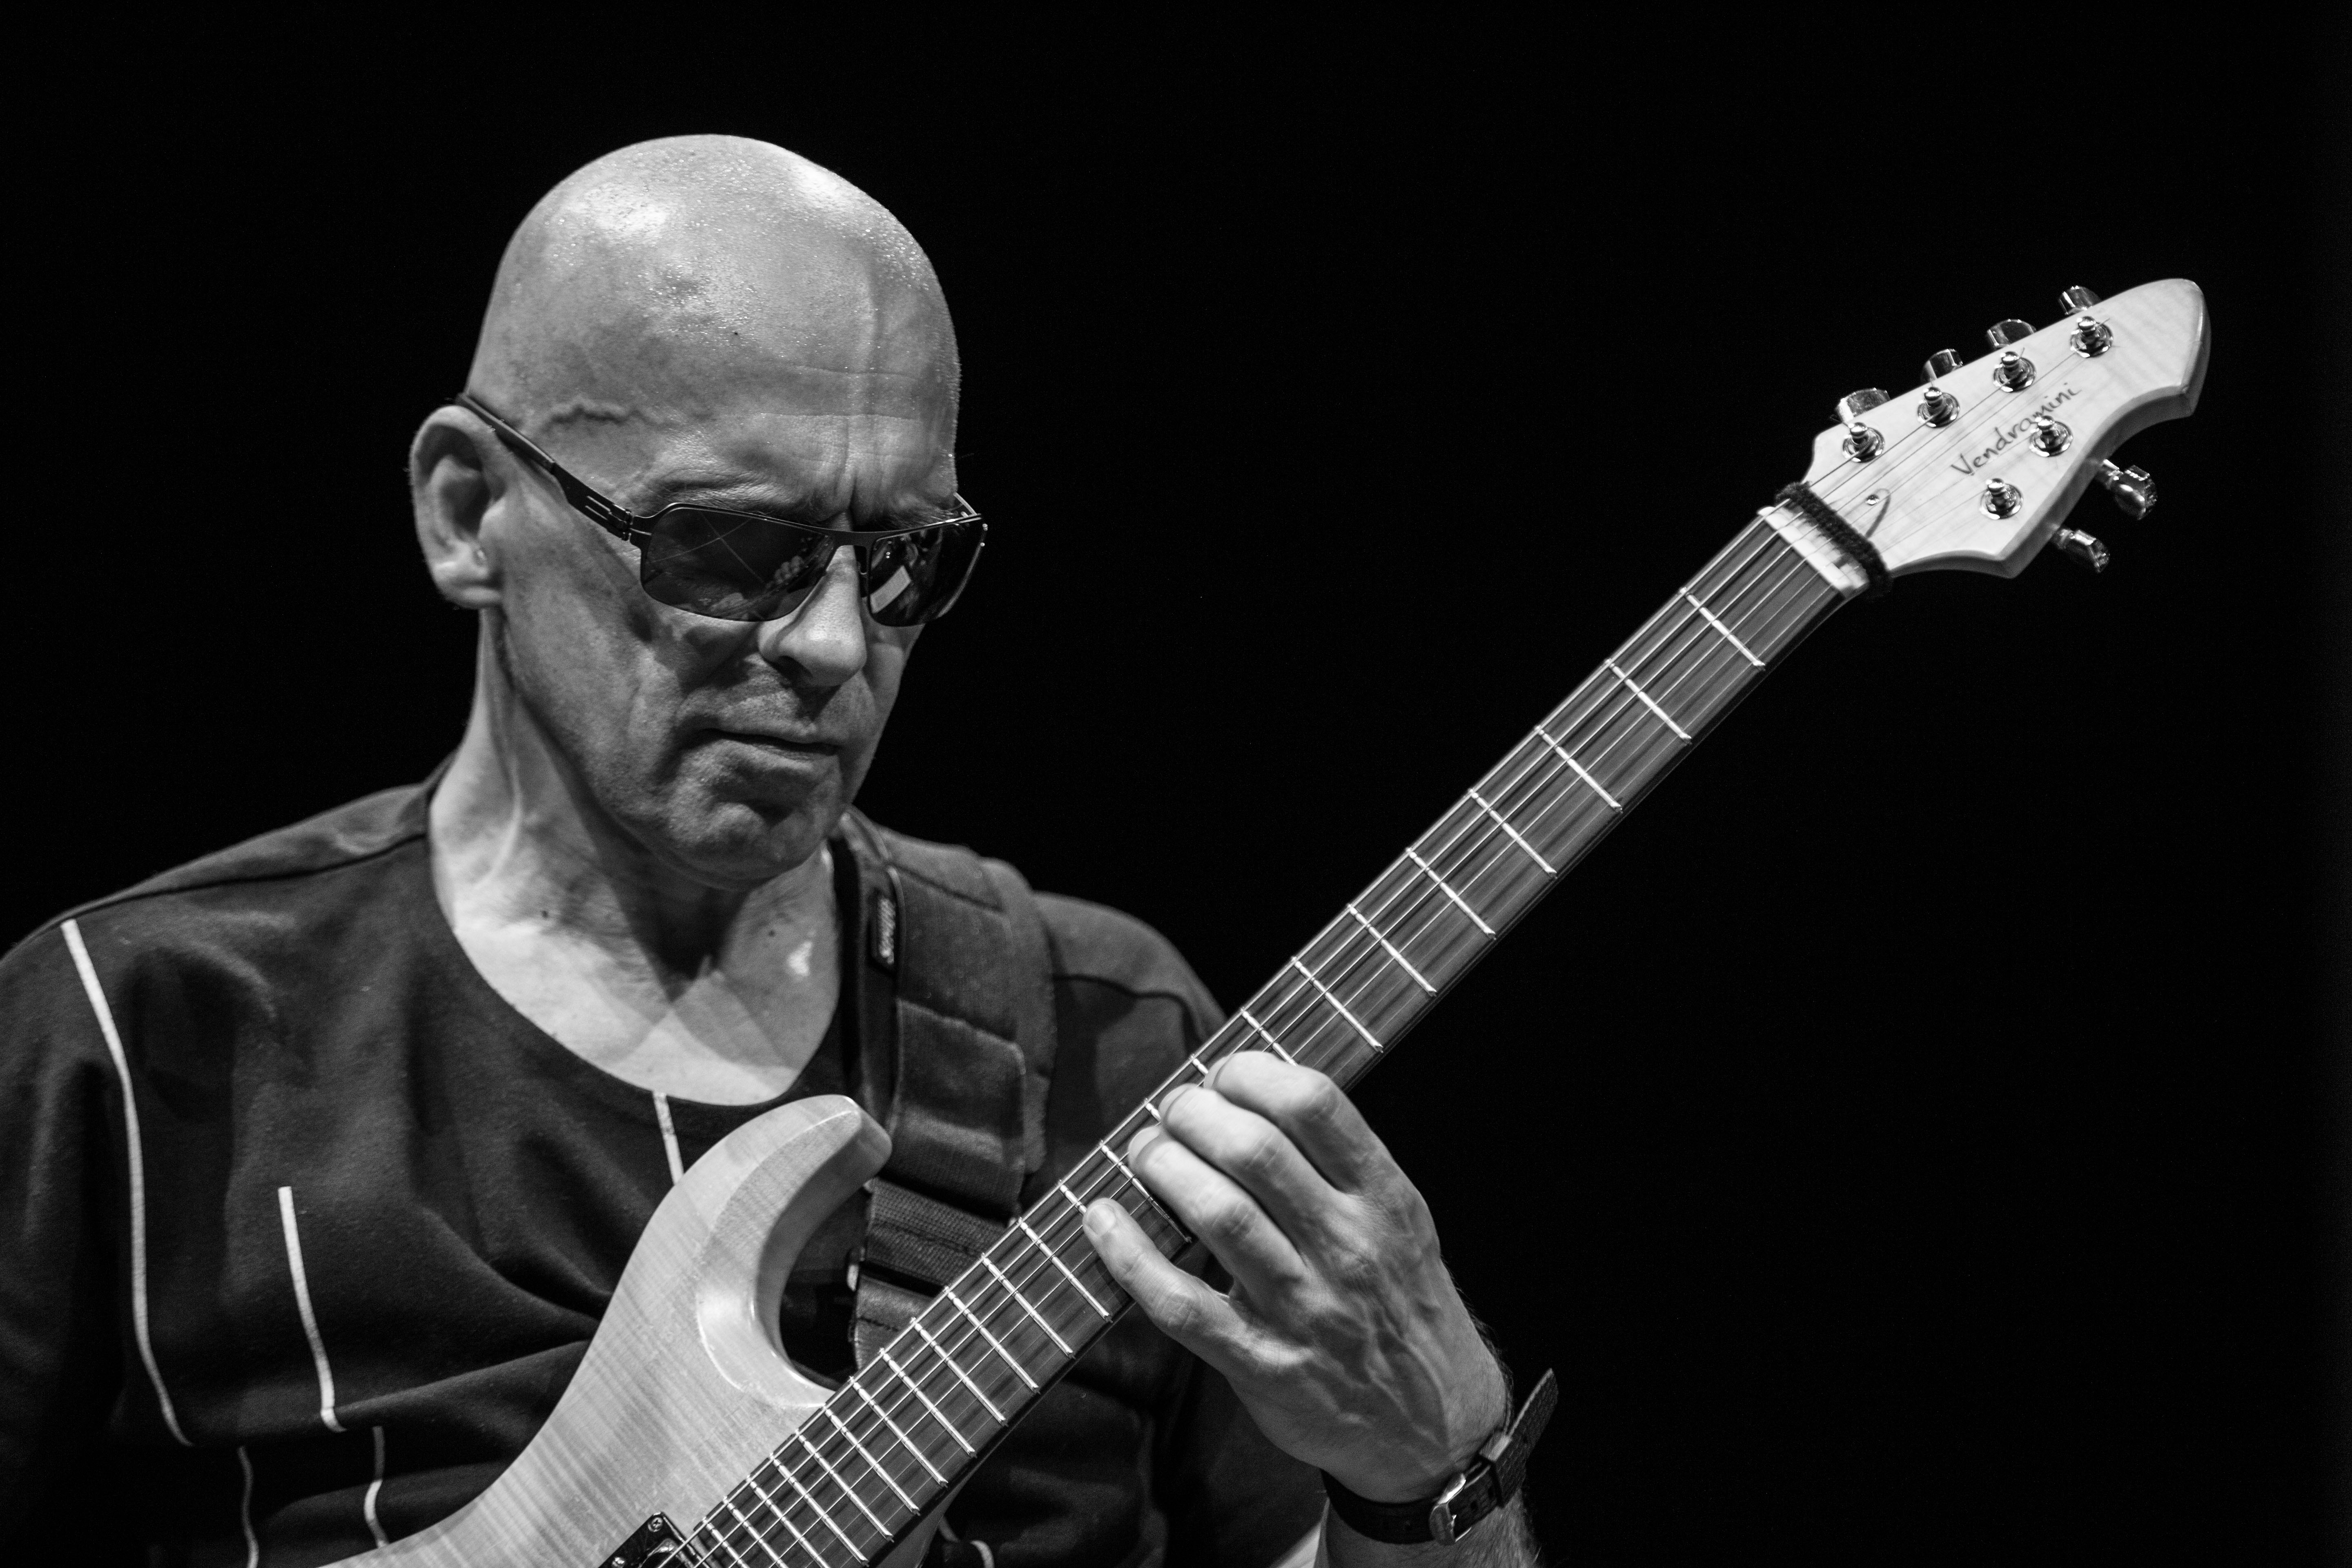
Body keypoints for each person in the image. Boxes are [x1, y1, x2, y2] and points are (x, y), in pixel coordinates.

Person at [0, 135, 1540, 1566]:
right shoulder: (133, 1037)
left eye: (905, 560)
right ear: (470, 512)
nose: (833, 644)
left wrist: (1431, 1468)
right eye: (735, 547)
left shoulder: (1106, 1040)